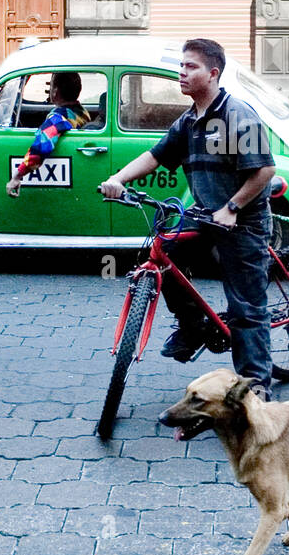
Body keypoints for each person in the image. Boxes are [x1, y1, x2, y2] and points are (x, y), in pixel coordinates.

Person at [99, 39, 277, 399]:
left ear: (213, 74)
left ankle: (256, 386)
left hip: (243, 220)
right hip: (206, 215)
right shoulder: (189, 121)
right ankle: (193, 326)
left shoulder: (237, 114)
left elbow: (265, 171)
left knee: (245, 307)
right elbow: (155, 156)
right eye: (181, 66)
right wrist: (118, 179)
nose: (181, 72)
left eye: (190, 67)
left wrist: (232, 207)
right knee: (166, 252)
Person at [6, 72, 91, 197]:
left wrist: (18, 175)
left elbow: (42, 146)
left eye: (51, 86)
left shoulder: (57, 118)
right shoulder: (82, 111)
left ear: (55, 91)